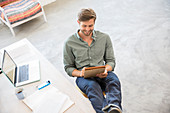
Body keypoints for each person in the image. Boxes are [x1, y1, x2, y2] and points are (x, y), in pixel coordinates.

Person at [63, 8, 122, 113]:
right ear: (78, 22)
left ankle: (113, 107)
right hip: (83, 78)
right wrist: (81, 73)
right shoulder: (69, 43)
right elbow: (68, 68)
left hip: (102, 72)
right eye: (84, 26)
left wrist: (105, 70)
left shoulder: (104, 38)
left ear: (94, 23)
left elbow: (111, 61)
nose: (87, 29)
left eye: (90, 26)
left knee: (114, 80)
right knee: (92, 86)